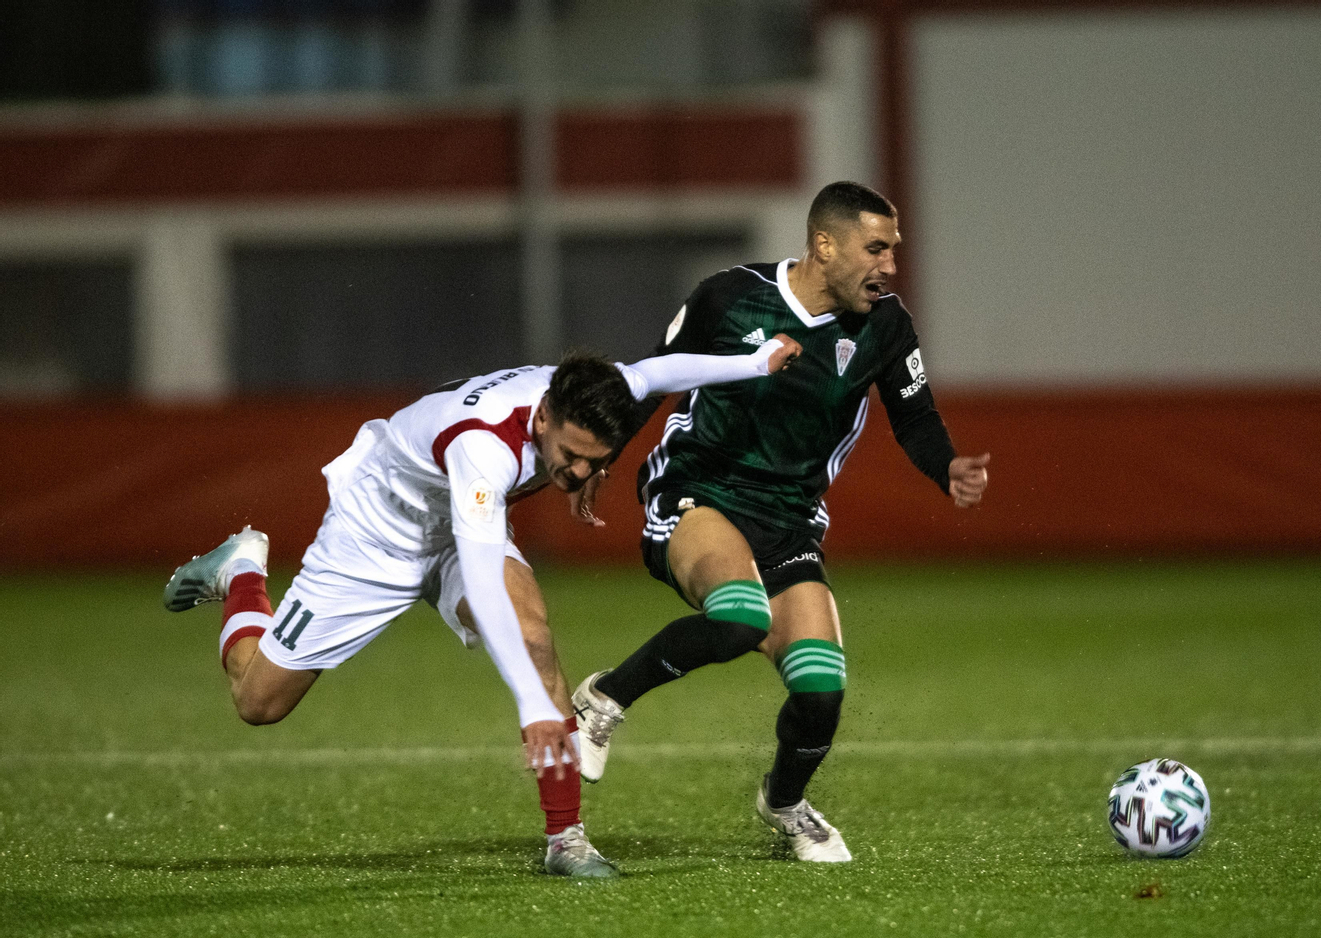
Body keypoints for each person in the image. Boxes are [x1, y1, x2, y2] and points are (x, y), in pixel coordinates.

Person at [162, 338, 802, 878]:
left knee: (535, 638)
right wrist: (529, 703)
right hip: (377, 533)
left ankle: (566, 839)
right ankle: (244, 568)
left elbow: (656, 373)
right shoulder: (484, 447)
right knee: (258, 703)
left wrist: (753, 362)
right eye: (569, 456)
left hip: (464, 524)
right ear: (544, 417)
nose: (577, 474)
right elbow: (481, 582)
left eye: (594, 462)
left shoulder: (583, 395)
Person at [570, 181, 990, 862]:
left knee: (821, 691)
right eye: (875, 248)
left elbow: (915, 416)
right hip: (700, 490)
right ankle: (604, 700)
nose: (889, 265)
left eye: (895, 250)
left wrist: (946, 468)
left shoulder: (885, 326)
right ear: (824, 245)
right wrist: (599, 457)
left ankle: (785, 802)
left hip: (789, 520)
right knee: (740, 619)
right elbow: (653, 373)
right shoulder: (729, 297)